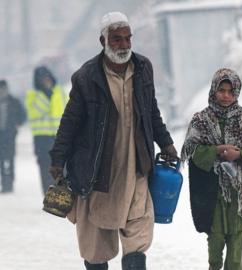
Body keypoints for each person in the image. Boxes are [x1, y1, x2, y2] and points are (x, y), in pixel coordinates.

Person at [48, 11, 178, 270]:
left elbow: (151, 111)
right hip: (97, 174)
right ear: (103, 41)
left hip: (135, 169)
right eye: (117, 39)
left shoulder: (142, 69)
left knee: (138, 240)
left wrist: (166, 143)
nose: (124, 45)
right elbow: (70, 122)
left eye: (127, 38)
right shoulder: (86, 77)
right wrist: (57, 159)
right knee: (96, 247)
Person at [181, 68, 242, 270]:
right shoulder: (201, 120)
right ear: (214, 90)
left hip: (238, 192)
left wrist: (239, 155)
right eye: (221, 90)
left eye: (231, 91)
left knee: (235, 252)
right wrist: (216, 150)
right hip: (212, 191)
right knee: (215, 246)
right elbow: (193, 150)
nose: (226, 96)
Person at [25, 65, 67, 194]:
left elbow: (68, 111)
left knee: (62, 167)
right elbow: (35, 112)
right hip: (42, 138)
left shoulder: (59, 92)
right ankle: (49, 195)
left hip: (59, 136)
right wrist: (46, 95)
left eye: (47, 78)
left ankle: (62, 196)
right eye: (42, 79)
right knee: (45, 168)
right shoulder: (33, 95)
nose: (45, 81)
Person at [0, 80, 26, 193]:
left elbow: (23, 116)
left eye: (3, 89)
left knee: (9, 159)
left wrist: (17, 124)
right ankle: (5, 182)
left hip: (9, 136)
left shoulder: (14, 102)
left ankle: (9, 183)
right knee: (2, 160)